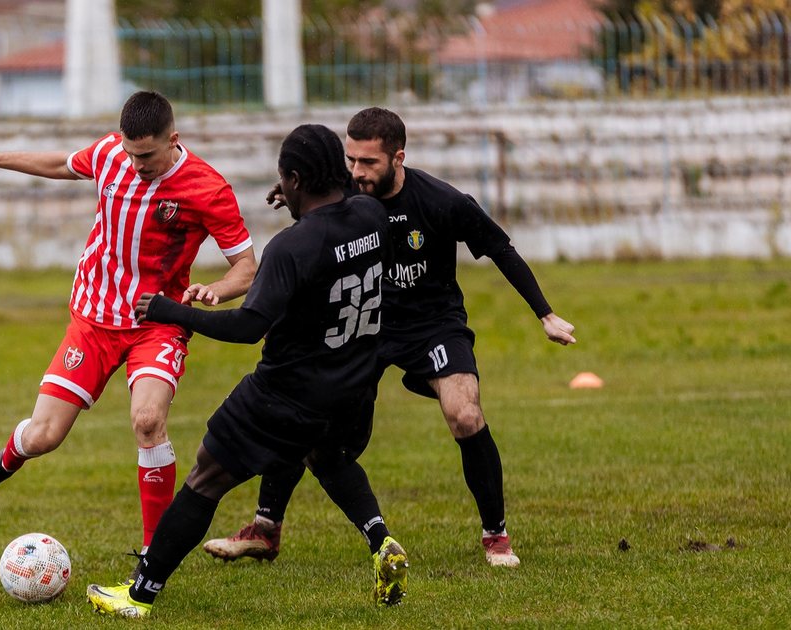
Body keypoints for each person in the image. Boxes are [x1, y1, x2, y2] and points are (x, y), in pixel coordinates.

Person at [203, 107, 576, 568]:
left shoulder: (441, 201)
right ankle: (265, 529)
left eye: (368, 163)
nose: (357, 172)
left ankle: (496, 536)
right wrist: (296, 191)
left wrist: (545, 314)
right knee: (305, 412)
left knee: (464, 412)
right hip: (366, 324)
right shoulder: (349, 194)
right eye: (351, 161)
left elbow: (499, 246)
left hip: (433, 324)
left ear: (398, 158)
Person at [87, 124, 408, 619]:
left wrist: (173, 312)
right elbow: (340, 208)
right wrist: (303, 192)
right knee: (327, 456)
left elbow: (248, 327)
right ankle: (382, 541)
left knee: (205, 478)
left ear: (296, 179)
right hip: (353, 386)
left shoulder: (290, 248)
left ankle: (140, 593)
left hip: (285, 393)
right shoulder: (371, 215)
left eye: (287, 181)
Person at [0, 91, 257, 556]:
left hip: (158, 320)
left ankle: (155, 555)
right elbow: (60, 164)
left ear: (174, 139)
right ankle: (9, 457)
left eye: (147, 155)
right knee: (44, 435)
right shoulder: (112, 153)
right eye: (131, 154)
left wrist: (216, 290)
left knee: (148, 421)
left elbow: (246, 267)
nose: (136, 165)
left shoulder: (207, 188)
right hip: (94, 318)